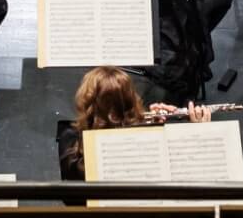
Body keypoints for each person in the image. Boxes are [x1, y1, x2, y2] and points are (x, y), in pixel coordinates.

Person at [57, 65, 211, 181]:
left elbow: (71, 196)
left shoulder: (69, 141)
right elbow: (187, 175)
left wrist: (149, 125)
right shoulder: (145, 148)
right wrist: (198, 133)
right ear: (131, 99)